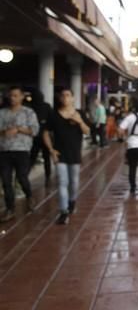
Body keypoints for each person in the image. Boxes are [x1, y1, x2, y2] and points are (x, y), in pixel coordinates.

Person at [43, 89, 90, 225]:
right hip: (59, 153)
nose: (65, 98)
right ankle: (63, 211)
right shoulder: (54, 115)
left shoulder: (80, 113)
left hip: (75, 153)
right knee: (62, 182)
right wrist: (51, 150)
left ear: (73, 98)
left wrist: (79, 121)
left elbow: (87, 131)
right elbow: (45, 132)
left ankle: (72, 201)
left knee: (74, 182)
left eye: (68, 95)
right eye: (62, 95)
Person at [0, 86, 39, 222]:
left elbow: (34, 131)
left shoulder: (29, 112)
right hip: (4, 150)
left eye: (16, 95)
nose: (12, 98)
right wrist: (4, 132)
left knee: (22, 178)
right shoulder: (2, 113)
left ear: (22, 96)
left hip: (22, 150)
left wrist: (18, 129)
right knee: (6, 180)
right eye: (11, 95)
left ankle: (29, 196)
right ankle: (10, 208)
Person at [28, 90, 53, 187]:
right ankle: (48, 177)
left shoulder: (31, 106)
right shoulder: (46, 106)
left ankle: (25, 175)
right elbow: (51, 118)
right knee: (46, 157)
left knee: (32, 157)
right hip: (45, 135)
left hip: (35, 136)